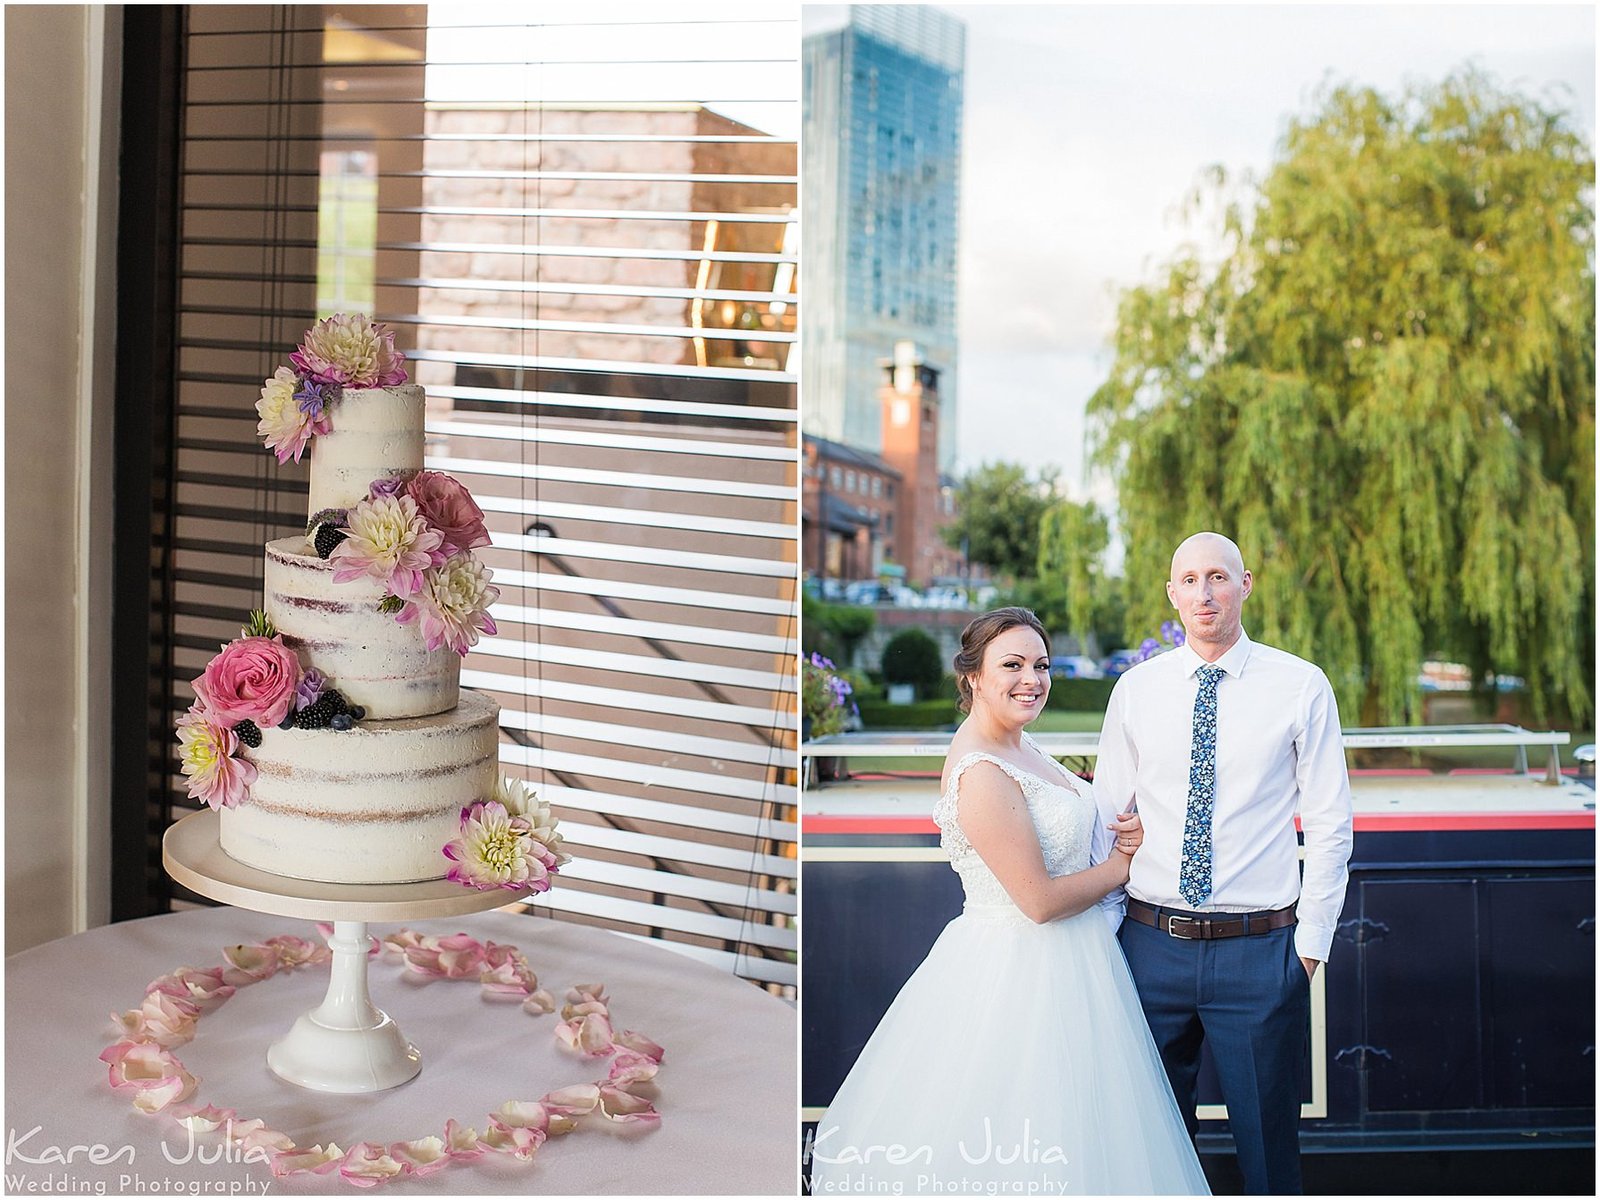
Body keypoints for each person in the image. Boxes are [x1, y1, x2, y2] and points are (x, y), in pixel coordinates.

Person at [809, 607, 1211, 1196]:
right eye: (1013, 665)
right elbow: (1039, 901)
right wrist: (1121, 867)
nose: (1033, 679)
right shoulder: (982, 771)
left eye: (1042, 665)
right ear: (972, 676)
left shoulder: (1023, 747)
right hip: (1021, 972)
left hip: (1081, 967)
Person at [1093, 532, 1354, 1195]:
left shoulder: (1301, 686)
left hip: (1260, 955)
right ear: (1171, 594)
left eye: (1218, 576)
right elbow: (1103, 817)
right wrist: (1106, 936)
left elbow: (1329, 823)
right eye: (1190, 579)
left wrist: (1310, 949)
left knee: (1269, 1159)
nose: (1204, 592)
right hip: (1149, 949)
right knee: (1150, 1153)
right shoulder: (1136, 690)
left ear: (1246, 584)